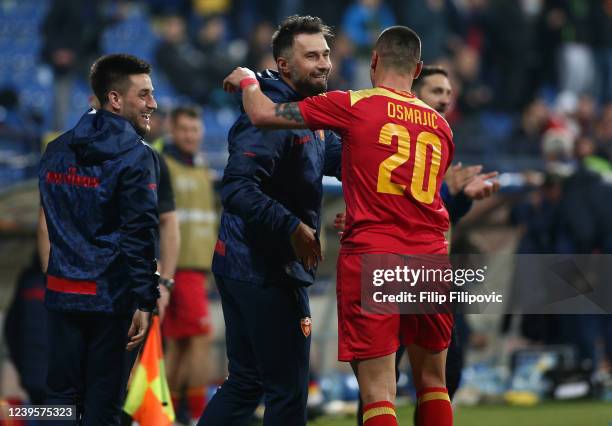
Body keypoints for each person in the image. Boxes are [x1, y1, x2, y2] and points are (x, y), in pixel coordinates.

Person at [224, 26, 455, 426]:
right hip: (431, 257)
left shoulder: (355, 105)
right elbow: (410, 191)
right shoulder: (441, 126)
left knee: (379, 392)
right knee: (434, 382)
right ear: (418, 69)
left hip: (376, 254)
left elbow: (261, 113)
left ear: (373, 62)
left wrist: (248, 78)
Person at [200, 15, 342, 426]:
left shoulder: (306, 112)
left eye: (326, 54)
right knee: (288, 391)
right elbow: (237, 188)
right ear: (284, 65)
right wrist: (292, 226)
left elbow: (336, 157)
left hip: (246, 265)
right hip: (266, 271)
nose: (323, 64)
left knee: (247, 383)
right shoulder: (272, 114)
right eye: (311, 56)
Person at [38, 53, 160, 425]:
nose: (153, 103)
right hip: (112, 298)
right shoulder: (138, 158)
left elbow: (51, 221)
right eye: (143, 95)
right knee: (103, 405)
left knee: (58, 398)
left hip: (62, 291)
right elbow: (138, 234)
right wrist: (145, 299)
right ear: (115, 99)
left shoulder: (56, 150)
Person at [161, 106, 216, 424]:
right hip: (177, 266)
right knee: (199, 340)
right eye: (183, 129)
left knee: (181, 346)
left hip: (197, 267)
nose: (190, 136)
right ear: (172, 129)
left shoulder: (201, 167)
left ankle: (163, 413)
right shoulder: (163, 164)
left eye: (194, 130)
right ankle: (195, 415)